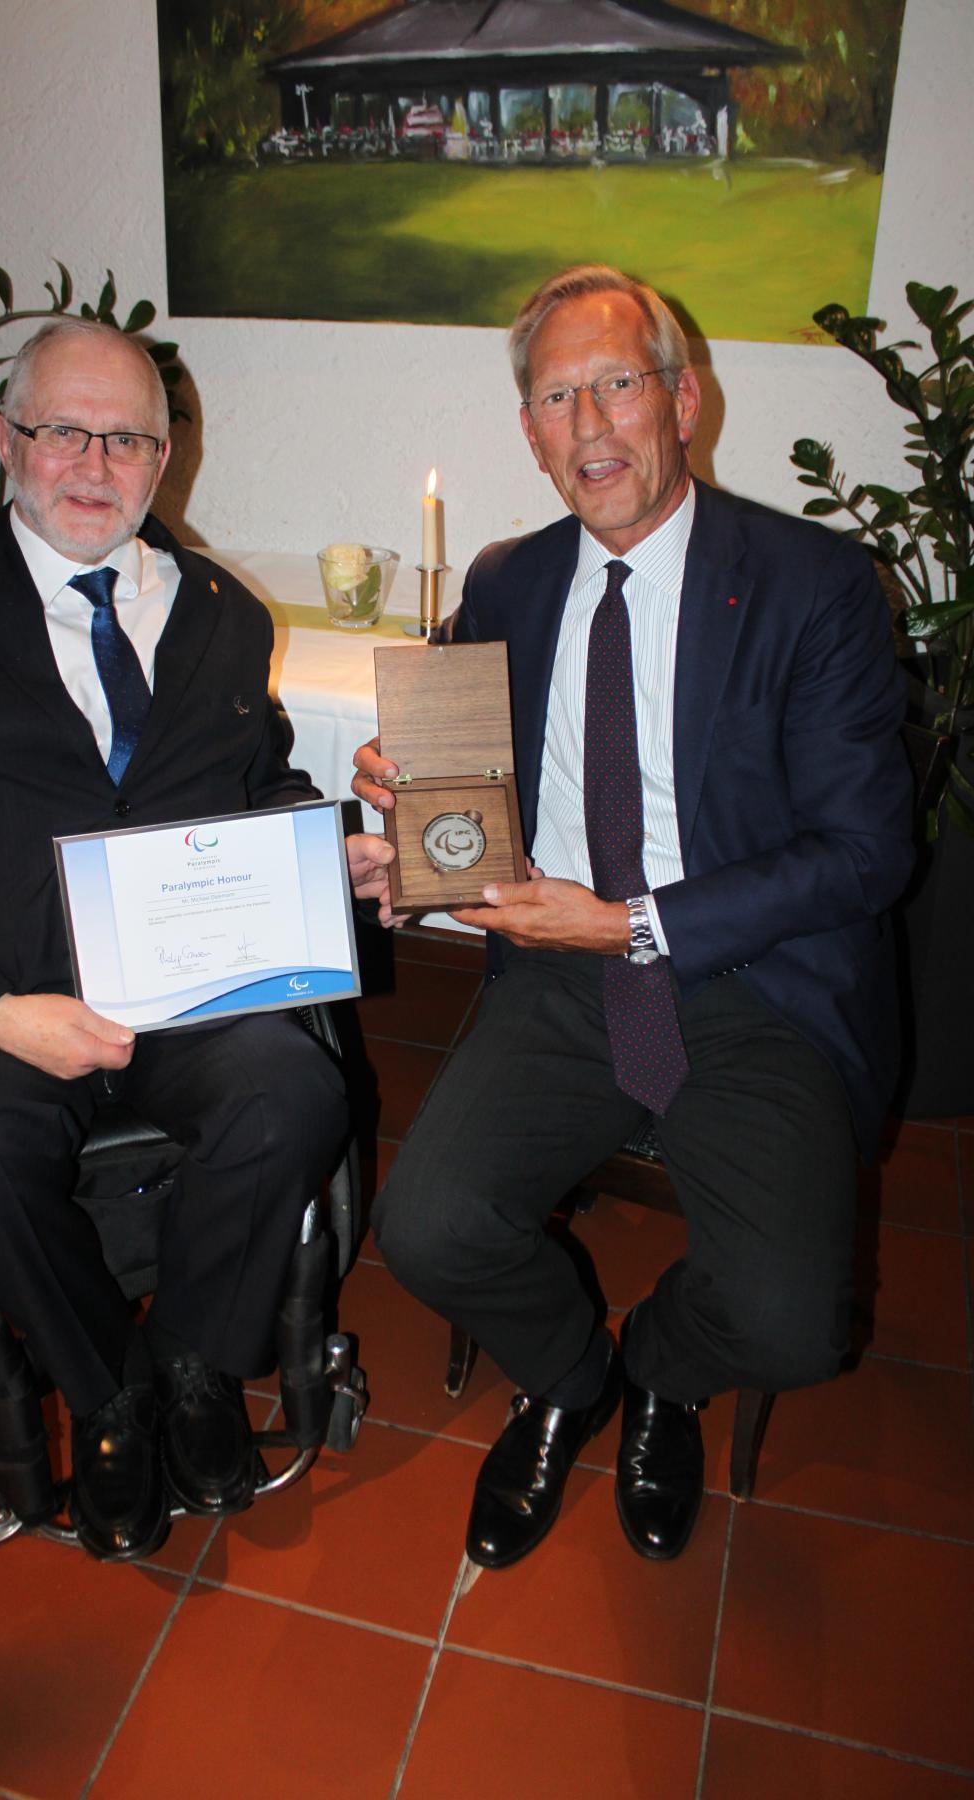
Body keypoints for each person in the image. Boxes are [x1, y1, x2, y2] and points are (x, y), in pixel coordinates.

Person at [0, 318, 393, 1562]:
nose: (92, 464)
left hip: (181, 987)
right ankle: (110, 1397)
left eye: (125, 439)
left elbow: (255, 782)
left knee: (294, 1091)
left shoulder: (222, 612)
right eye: (63, 430)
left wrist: (321, 850)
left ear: (165, 460)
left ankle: (196, 1368)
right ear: (8, 440)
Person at [354, 265, 913, 1569]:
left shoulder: (812, 586)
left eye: (619, 383)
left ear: (684, 398)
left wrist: (635, 926)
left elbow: (864, 852)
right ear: (531, 433)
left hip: (746, 977)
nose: (593, 424)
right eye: (559, 396)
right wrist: (402, 839)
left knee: (795, 1323)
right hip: (559, 975)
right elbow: (452, 791)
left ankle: (663, 1364)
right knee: (425, 1224)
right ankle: (572, 1380)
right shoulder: (505, 581)